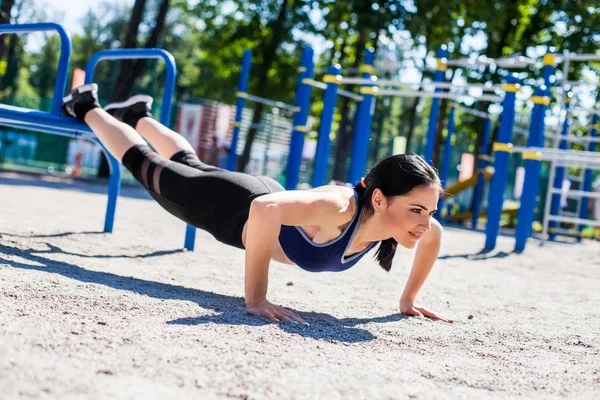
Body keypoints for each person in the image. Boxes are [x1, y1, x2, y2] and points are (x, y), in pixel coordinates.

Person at [62, 84, 451, 325]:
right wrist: (257, 299)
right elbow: (265, 210)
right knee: (146, 166)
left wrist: (408, 300)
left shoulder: (409, 223)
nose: (424, 222)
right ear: (380, 199)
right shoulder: (341, 208)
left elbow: (433, 238)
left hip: (254, 192)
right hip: (232, 206)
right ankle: (84, 105)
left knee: (188, 166)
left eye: (430, 211)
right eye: (417, 210)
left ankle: (136, 116)